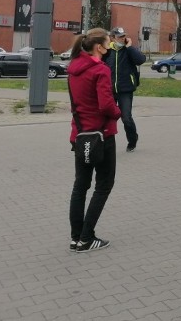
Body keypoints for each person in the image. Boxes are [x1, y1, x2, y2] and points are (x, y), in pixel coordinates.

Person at [68, 28, 122, 253]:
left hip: (80, 135)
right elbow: (106, 105)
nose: (111, 46)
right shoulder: (100, 70)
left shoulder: (74, 69)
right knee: (103, 186)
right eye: (108, 43)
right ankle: (87, 237)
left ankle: (76, 238)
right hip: (102, 135)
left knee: (80, 186)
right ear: (99, 47)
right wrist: (119, 113)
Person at [103, 27, 146, 152]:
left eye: (123, 36)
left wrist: (130, 47)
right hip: (109, 90)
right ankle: (107, 144)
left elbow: (140, 60)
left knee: (126, 118)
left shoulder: (129, 51)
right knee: (107, 118)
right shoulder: (107, 51)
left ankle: (132, 140)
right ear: (112, 38)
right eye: (119, 37)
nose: (122, 39)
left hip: (125, 89)